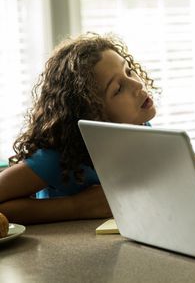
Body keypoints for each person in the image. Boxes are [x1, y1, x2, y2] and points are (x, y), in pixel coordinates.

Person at [0, 33, 157, 224]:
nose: (137, 84)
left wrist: (190, 164)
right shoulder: (59, 158)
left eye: (129, 71)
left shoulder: (142, 129)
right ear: (92, 112)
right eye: (117, 89)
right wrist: (77, 206)